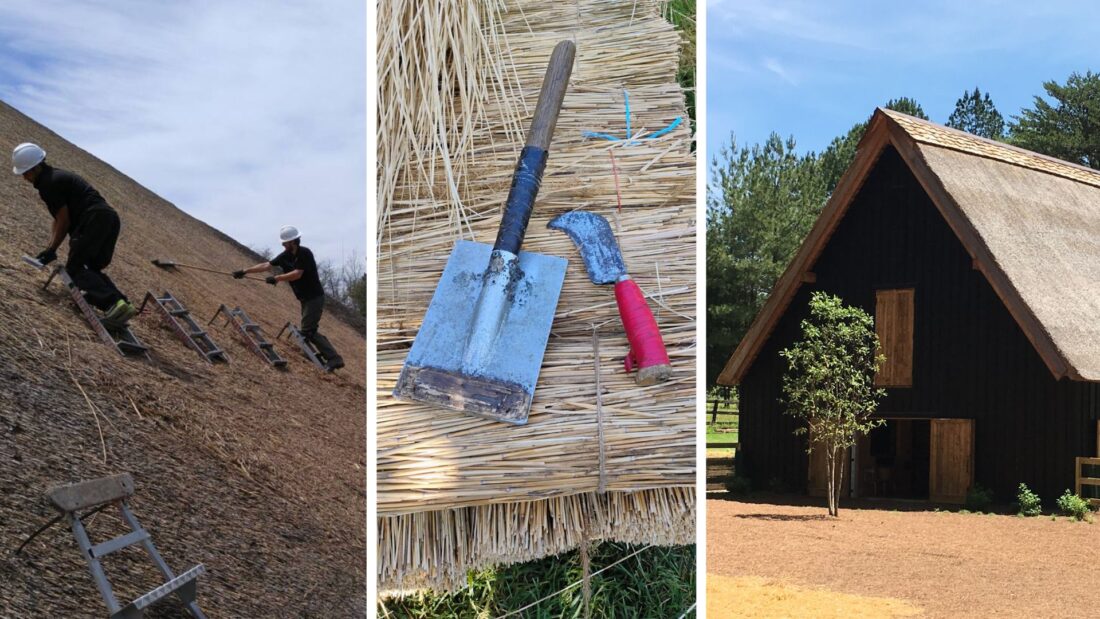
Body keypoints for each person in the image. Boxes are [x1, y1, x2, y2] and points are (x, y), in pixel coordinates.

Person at [13, 142, 137, 324]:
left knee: (74, 269)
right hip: (108, 218)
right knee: (90, 267)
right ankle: (122, 304)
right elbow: (57, 218)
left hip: (92, 219)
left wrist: (53, 249)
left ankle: (112, 302)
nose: (25, 178)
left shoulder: (48, 184)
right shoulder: (56, 177)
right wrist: (50, 248)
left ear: (36, 167)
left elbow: (64, 220)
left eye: (26, 172)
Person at [234, 225, 345, 371]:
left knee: (308, 330)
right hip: (304, 298)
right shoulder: (286, 255)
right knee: (309, 329)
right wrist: (245, 271)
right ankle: (323, 355)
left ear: (293, 241)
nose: (282, 244)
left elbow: (298, 273)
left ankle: (334, 358)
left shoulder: (305, 253)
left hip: (314, 297)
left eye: (285, 242)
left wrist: (277, 278)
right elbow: (267, 265)